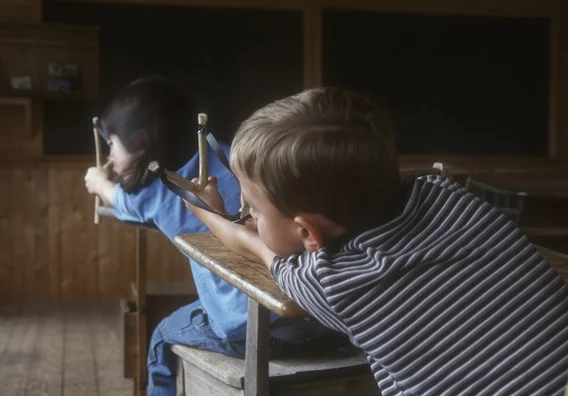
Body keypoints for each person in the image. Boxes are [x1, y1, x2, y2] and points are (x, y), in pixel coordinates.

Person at [185, 86, 568, 396]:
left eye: (251, 206)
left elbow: (251, 245)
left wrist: (206, 210)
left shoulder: (333, 282)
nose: (245, 212)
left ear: (308, 234)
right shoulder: (448, 196)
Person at [84, 77, 339, 396]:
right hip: (323, 320)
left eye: (111, 143)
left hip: (258, 331)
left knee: (162, 334)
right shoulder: (232, 159)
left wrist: (98, 182)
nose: (109, 151)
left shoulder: (166, 189)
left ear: (140, 142)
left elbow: (124, 203)